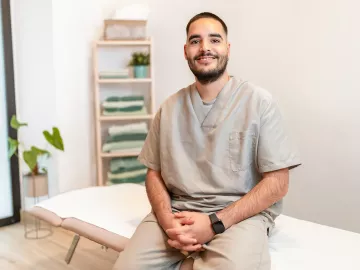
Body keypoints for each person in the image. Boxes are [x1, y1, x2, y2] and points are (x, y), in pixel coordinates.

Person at [113, 11, 301, 270]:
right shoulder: (169, 108)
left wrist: (214, 222)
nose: (205, 48)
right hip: (178, 211)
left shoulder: (259, 102)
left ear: (227, 48)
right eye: (195, 41)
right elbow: (153, 173)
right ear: (185, 51)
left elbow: (278, 183)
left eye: (214, 40)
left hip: (240, 216)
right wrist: (168, 221)